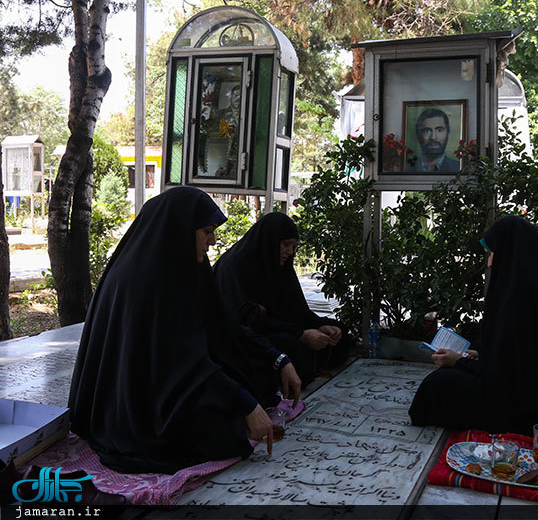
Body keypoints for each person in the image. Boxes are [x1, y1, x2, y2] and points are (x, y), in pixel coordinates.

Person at [68, 186, 301, 474]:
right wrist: (243, 402)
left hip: (174, 377)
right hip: (137, 398)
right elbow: (178, 360)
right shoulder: (145, 280)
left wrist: (278, 358)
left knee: (255, 378)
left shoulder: (190, 263)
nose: (212, 241)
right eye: (207, 231)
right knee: (222, 430)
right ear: (180, 228)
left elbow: (224, 328)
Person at [409, 215, 538, 437]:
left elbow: (511, 375)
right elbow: (527, 354)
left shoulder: (528, 291)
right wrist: (481, 353)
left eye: (492, 254)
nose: (490, 263)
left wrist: (459, 361)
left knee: (438, 385)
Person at [214, 212, 353, 386]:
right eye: (286, 244)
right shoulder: (236, 266)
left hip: (280, 326)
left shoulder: (278, 264)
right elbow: (246, 319)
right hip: (248, 333)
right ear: (269, 241)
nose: (290, 251)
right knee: (292, 348)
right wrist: (300, 334)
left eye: (293, 246)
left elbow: (296, 309)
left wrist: (318, 325)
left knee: (340, 333)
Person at [413, 108, 461, 173]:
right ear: (418, 135)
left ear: (448, 133)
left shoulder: (459, 167)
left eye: (439, 130)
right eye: (427, 131)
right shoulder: (408, 167)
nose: (433, 137)